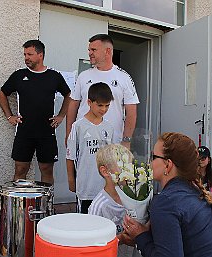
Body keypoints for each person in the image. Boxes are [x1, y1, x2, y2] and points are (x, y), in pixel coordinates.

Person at [123, 132, 212, 257]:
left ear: (168, 165)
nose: (150, 162)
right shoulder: (194, 191)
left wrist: (140, 235)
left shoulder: (166, 202)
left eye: (153, 157)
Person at [0, 40, 71, 184]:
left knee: (46, 169)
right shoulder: (19, 75)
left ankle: (46, 206)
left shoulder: (53, 76)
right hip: (24, 131)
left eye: (30, 54)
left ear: (40, 55)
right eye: (25, 54)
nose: (26, 57)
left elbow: (69, 94)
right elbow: (2, 93)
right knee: (20, 170)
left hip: (47, 132)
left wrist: (61, 115)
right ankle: (19, 206)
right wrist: (9, 116)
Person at [66, 33, 139, 148]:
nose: (90, 53)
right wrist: (69, 134)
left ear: (108, 51)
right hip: (84, 140)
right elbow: (73, 106)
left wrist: (126, 140)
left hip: (112, 143)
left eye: (94, 50)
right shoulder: (83, 76)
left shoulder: (124, 77)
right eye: (89, 50)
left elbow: (131, 112)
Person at [66, 82, 114, 213]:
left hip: (104, 188)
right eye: (100, 105)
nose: (103, 109)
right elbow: (70, 156)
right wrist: (71, 180)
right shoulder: (78, 126)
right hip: (85, 187)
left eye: (107, 106)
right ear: (89, 102)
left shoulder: (109, 127)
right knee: (85, 223)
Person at [88, 144, 142, 257]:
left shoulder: (136, 197)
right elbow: (95, 244)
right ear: (105, 171)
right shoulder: (98, 207)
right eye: (123, 166)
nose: (130, 171)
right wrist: (121, 238)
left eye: (130, 165)